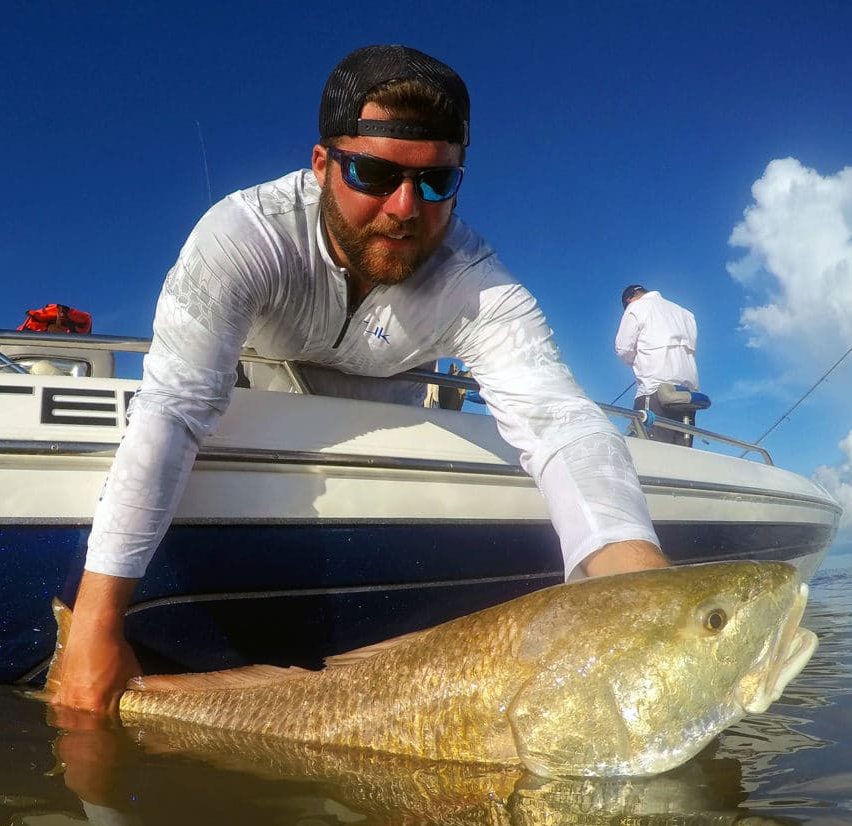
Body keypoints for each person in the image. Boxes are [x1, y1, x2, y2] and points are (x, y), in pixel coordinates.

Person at [54, 44, 668, 715]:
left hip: (388, 436)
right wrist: (95, 626)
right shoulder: (243, 234)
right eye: (373, 173)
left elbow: (563, 424)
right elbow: (173, 409)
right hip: (260, 418)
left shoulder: (474, 281)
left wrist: (641, 600)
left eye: (436, 182)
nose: (405, 207)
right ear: (322, 164)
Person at [614, 285, 699, 446]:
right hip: (688, 393)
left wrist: (636, 359)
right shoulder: (686, 314)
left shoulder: (636, 307)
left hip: (654, 390)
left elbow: (623, 349)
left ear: (629, 299)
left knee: (650, 451)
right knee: (682, 453)